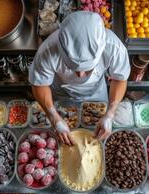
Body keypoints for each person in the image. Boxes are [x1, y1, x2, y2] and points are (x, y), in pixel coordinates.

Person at [29, 11, 130, 145]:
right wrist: (54, 117)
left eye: (88, 69)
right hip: (61, 92)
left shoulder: (114, 47)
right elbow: (39, 84)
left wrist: (110, 113)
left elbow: (120, 79)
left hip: (96, 91)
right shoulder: (48, 50)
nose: (80, 75)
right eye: (72, 68)